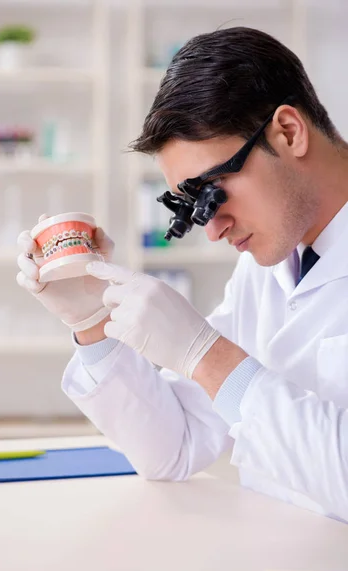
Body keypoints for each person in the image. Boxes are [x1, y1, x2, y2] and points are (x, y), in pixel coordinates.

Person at [17, 27, 348, 523]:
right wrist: (92, 322)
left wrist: (208, 357)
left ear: (288, 131)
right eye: (194, 205)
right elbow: (174, 449)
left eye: (213, 189)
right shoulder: (270, 266)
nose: (213, 230)